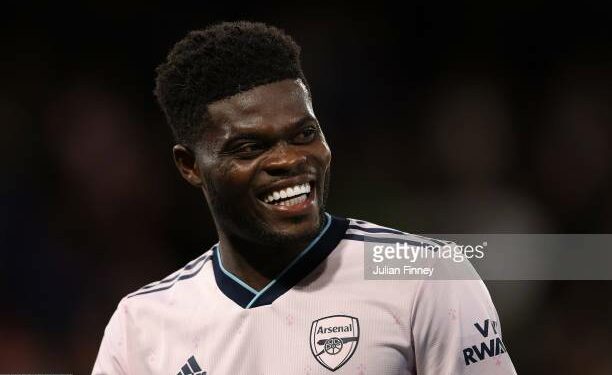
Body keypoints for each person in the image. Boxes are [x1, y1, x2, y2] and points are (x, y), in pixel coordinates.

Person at [92, 21, 516, 374]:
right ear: (190, 166)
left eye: (304, 134)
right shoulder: (141, 328)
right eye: (249, 147)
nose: (289, 160)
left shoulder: (427, 278)